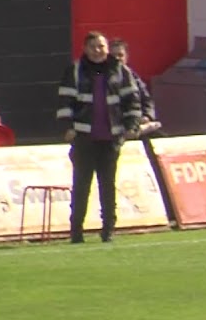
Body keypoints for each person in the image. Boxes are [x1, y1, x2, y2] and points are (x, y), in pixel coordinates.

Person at [57, 31, 142, 244]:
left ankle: (108, 230)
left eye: (101, 46)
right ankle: (76, 231)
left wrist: (132, 126)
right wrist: (68, 128)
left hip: (111, 139)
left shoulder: (121, 71)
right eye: (93, 47)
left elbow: (133, 101)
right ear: (85, 49)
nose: (98, 51)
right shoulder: (75, 71)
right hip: (84, 138)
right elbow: (64, 102)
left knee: (108, 186)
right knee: (81, 186)